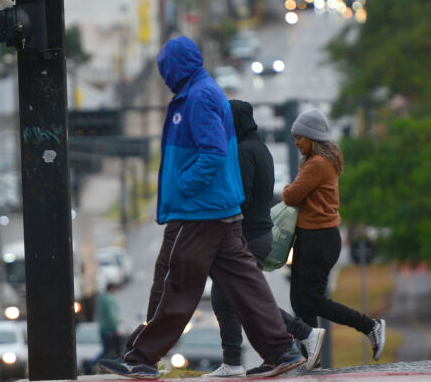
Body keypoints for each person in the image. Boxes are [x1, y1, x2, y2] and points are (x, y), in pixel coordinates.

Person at [98, 36, 305, 378]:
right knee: (244, 285)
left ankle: (142, 359)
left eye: (165, 67)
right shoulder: (194, 93)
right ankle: (282, 351)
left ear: (176, 65)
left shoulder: (199, 96)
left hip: (203, 211)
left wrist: (185, 184)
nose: (163, 75)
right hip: (213, 210)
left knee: (178, 283)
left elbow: (212, 153)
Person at [204, 100, 325, 377]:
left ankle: (303, 333)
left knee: (248, 298)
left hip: (247, 236)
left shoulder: (244, 151)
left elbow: (240, 198)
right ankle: (233, 361)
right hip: (257, 235)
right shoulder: (259, 147)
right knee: (226, 298)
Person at [282, 108, 386, 361]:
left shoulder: (317, 164)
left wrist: (287, 188)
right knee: (299, 301)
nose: (296, 142)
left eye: (299, 137)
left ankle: (369, 326)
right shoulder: (318, 161)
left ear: (312, 138)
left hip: (319, 238)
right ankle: (311, 354)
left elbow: (291, 196)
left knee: (313, 300)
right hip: (313, 237)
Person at [95, 283, 121, 362]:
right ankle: (93, 364)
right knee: (113, 351)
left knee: (106, 351)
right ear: (112, 289)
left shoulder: (100, 298)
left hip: (102, 327)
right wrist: (115, 328)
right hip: (110, 329)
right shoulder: (110, 299)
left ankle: (93, 364)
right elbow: (111, 314)